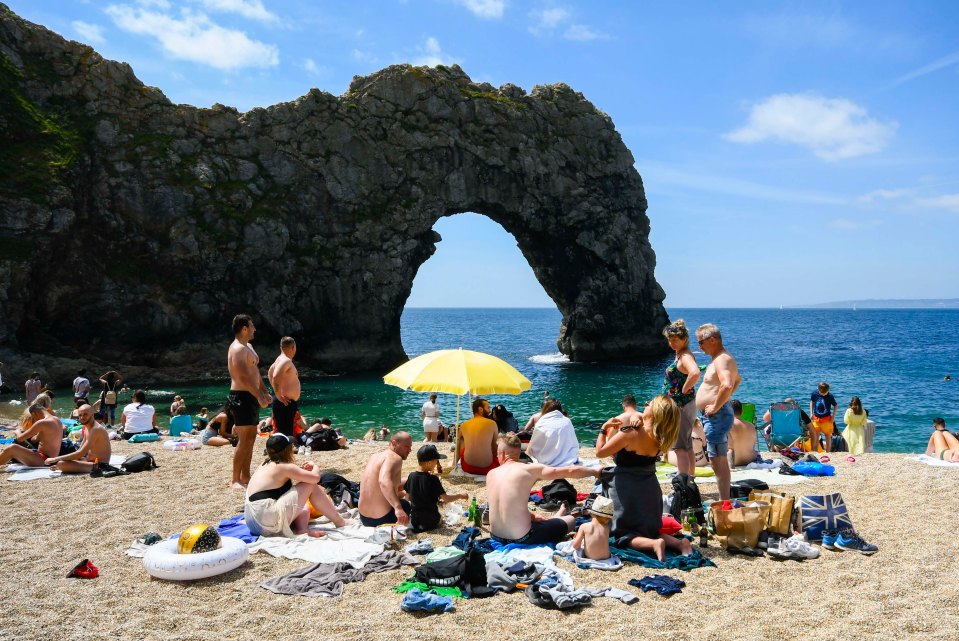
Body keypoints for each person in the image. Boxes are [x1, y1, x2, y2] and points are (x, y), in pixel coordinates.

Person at [596, 394, 690, 560]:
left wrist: (604, 428)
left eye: (648, 404)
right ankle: (679, 544)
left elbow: (600, 452)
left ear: (654, 413)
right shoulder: (662, 437)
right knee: (650, 531)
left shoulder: (630, 433)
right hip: (649, 490)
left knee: (623, 535)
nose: (644, 406)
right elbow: (648, 421)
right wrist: (637, 416)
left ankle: (653, 545)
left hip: (626, 490)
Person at [487, 434, 599, 544]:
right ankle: (559, 517)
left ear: (501, 454)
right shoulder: (528, 470)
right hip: (523, 537)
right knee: (571, 521)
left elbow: (507, 505)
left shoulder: (490, 474)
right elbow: (569, 470)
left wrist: (532, 515)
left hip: (496, 536)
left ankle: (558, 516)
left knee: (541, 521)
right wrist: (595, 472)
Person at [244, 434, 347, 537]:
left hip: (253, 522)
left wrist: (301, 471)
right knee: (310, 485)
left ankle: (302, 530)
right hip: (266, 523)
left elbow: (283, 478)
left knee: (304, 507)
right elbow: (315, 478)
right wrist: (315, 466)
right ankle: (339, 522)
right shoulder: (284, 467)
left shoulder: (265, 464)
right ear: (287, 450)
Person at [695, 323, 741, 501]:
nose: (699, 346)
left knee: (718, 462)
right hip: (717, 415)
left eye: (701, 342)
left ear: (712, 339)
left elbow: (728, 384)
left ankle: (724, 502)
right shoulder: (721, 358)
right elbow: (737, 380)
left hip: (717, 416)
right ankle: (725, 501)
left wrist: (715, 405)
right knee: (717, 461)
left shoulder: (721, 359)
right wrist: (722, 399)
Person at [227, 314, 272, 489]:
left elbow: (254, 372)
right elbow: (243, 377)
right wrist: (259, 396)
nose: (254, 329)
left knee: (251, 438)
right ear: (244, 328)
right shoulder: (237, 348)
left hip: (251, 396)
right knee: (244, 438)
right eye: (252, 326)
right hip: (241, 396)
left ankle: (246, 476)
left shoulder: (248, 347)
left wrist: (264, 392)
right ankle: (235, 480)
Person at [662, 319, 700, 476]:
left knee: (679, 447)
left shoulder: (685, 356)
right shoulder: (681, 354)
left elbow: (695, 373)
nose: (672, 343)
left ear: (684, 339)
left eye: (675, 340)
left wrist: (684, 390)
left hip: (682, 406)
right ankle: (689, 479)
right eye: (669, 340)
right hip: (685, 404)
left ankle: (683, 483)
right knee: (686, 445)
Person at [404, 444, 467, 532]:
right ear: (429, 462)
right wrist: (460, 495)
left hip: (415, 521)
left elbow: (407, 499)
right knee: (439, 516)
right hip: (432, 521)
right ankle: (440, 522)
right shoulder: (433, 479)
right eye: (436, 461)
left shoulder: (411, 476)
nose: (436, 463)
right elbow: (446, 499)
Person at [358, 431, 413, 526]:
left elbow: (387, 485)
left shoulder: (375, 456)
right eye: (407, 446)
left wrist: (411, 481)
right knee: (405, 505)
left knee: (407, 483)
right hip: (381, 519)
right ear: (394, 443)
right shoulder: (395, 458)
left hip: (364, 518)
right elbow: (383, 482)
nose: (410, 450)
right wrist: (398, 508)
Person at [44, 404, 111, 473]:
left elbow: (81, 453)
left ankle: (92, 468)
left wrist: (55, 459)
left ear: (92, 415)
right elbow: (79, 451)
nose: (82, 417)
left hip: (99, 464)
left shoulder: (96, 429)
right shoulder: (86, 427)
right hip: (88, 461)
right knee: (61, 463)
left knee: (61, 463)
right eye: (80, 415)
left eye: (85, 414)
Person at [1, 402, 66, 466]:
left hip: (43, 459)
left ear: (34, 414)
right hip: (51, 459)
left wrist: (17, 431)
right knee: (22, 450)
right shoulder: (57, 420)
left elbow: (20, 439)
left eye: (34, 418)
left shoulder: (42, 423)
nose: (35, 420)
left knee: (12, 448)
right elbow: (34, 440)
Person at [527, 398, 580, 467]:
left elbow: (533, 447)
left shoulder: (541, 423)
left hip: (545, 461)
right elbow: (573, 442)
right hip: (569, 459)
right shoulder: (567, 421)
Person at [454, 397, 500, 475]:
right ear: (480, 409)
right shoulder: (492, 423)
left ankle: (454, 463)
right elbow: (495, 448)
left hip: (468, 467)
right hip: (487, 468)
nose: (489, 410)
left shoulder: (464, 425)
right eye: (488, 408)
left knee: (461, 440)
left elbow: (457, 445)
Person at [268, 336, 301, 439]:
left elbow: (270, 374)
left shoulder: (279, 360)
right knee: (285, 434)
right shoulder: (286, 361)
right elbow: (275, 376)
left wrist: (279, 394)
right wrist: (279, 395)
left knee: (285, 432)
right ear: (293, 347)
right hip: (284, 403)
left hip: (285, 402)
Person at [568, 496, 614, 562]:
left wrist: (574, 540)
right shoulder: (607, 528)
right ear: (608, 518)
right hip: (607, 558)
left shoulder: (584, 526)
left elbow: (575, 546)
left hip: (592, 558)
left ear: (591, 513)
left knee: (561, 545)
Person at [728, 399, 759, 467]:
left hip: (734, 461)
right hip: (750, 460)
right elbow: (753, 446)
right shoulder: (751, 426)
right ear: (742, 412)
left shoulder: (727, 426)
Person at [810, 381, 838, 453]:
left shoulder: (830, 396)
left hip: (827, 420)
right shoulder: (814, 394)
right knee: (816, 436)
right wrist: (811, 413)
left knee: (828, 436)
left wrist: (833, 417)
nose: (824, 394)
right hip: (816, 419)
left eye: (825, 393)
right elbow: (812, 402)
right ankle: (815, 451)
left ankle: (828, 452)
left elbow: (835, 405)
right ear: (818, 390)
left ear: (828, 390)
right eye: (822, 393)